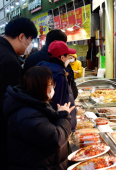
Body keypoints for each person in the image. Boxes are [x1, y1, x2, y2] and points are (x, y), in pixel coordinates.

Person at [4, 66, 74, 169]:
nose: (53, 87)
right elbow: (55, 139)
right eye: (50, 84)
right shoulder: (27, 115)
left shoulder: (34, 104)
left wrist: (59, 115)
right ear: (40, 86)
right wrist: (64, 117)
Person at [0, 17, 37, 169]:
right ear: (21, 37)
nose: (30, 46)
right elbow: (10, 101)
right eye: (30, 40)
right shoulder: (9, 60)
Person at [37, 40, 77, 131]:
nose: (69, 59)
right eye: (68, 56)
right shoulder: (59, 75)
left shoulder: (42, 68)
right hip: (58, 125)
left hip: (44, 120)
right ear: (62, 58)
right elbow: (58, 103)